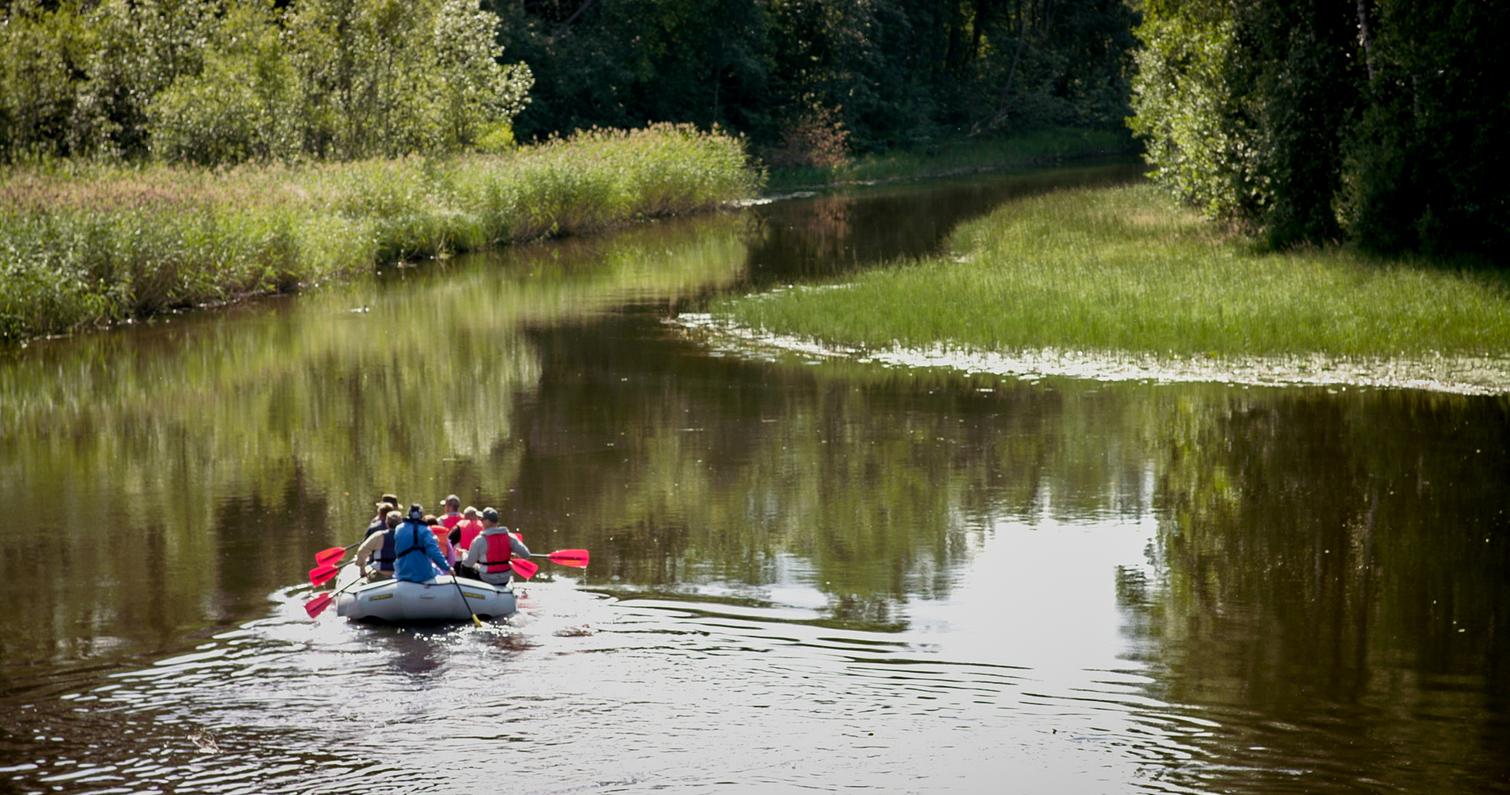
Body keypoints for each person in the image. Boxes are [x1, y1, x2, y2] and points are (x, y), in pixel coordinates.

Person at [459, 507, 531, 586]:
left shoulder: (479, 540)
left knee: (464, 566)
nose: (480, 521)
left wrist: (463, 554)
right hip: (505, 578)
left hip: (487, 578)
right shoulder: (510, 537)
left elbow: (468, 563)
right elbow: (526, 554)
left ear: (487, 521)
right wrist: (512, 553)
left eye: (482, 519)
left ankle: (470, 590)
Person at [389, 504, 452, 583]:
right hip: (423, 576)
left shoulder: (398, 529)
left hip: (401, 574)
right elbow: (434, 552)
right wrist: (448, 568)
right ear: (421, 516)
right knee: (439, 572)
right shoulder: (425, 530)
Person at [352, 509, 403, 580]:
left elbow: (362, 551)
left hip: (381, 573)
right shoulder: (407, 536)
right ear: (401, 523)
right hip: (402, 573)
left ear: (386, 523)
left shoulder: (379, 536)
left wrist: (362, 569)